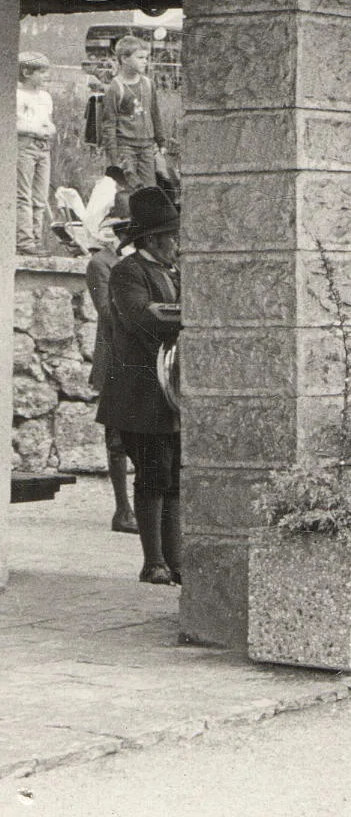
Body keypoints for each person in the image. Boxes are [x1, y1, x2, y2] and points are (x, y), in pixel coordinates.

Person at [94, 187, 182, 583]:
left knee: (173, 476)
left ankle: (176, 562)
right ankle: (154, 563)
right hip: (137, 394)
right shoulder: (127, 272)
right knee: (153, 473)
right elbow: (144, 317)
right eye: (171, 237)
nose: (177, 244)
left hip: (166, 392)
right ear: (152, 239)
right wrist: (191, 315)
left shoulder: (171, 272)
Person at [83, 196, 137, 534]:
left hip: (143, 358)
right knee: (116, 439)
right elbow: (106, 311)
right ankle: (122, 509)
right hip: (115, 357)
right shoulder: (101, 264)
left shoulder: (146, 261)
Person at [99, 36, 169, 195]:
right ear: (124, 59)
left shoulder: (148, 84)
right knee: (129, 190)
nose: (145, 62)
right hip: (125, 147)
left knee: (150, 191)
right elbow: (108, 125)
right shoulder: (115, 88)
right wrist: (114, 158)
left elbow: (155, 113)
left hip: (147, 147)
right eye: (140, 58)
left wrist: (161, 142)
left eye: (146, 58)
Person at [17, 51, 56, 253]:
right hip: (25, 146)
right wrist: (34, 130)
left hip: (43, 148)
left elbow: (48, 121)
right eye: (41, 72)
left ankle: (36, 239)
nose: (45, 76)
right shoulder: (16, 95)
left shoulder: (45, 97)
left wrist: (50, 129)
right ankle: (24, 241)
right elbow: (15, 125)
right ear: (26, 72)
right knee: (23, 194)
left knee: (40, 196)